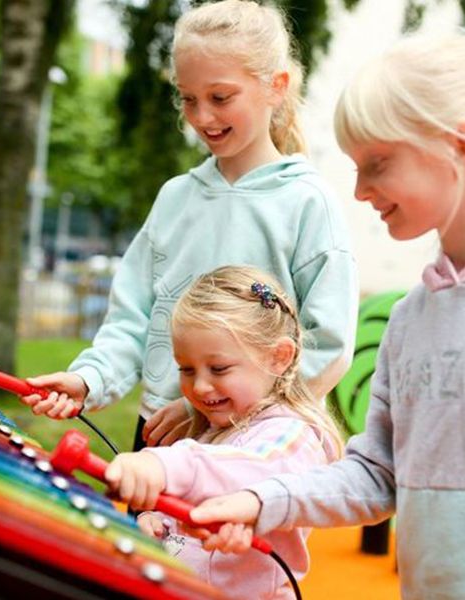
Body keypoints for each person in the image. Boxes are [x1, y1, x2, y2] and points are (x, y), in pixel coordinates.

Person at [187, 32, 465, 600]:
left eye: (378, 163)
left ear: (456, 146)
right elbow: (376, 472)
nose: (360, 191)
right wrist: (260, 500)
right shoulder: (411, 321)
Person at [21, 0, 358, 453]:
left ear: (275, 87)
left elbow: (327, 344)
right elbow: (132, 316)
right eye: (188, 98)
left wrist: (209, 405)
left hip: (253, 447)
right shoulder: (175, 198)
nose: (202, 117)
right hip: (159, 437)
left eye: (220, 97)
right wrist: (91, 378)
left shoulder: (308, 204)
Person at [104, 266, 344, 598]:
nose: (199, 386)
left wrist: (163, 466)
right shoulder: (211, 430)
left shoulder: (294, 438)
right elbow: (190, 510)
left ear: (279, 357)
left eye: (218, 369)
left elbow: (242, 471)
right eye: (186, 369)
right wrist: (157, 523)